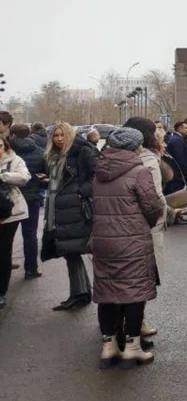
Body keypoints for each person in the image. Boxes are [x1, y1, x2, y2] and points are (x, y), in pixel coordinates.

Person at [90, 127, 163, 369]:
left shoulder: (99, 171)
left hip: (103, 240)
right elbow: (153, 207)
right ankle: (132, 347)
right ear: (136, 147)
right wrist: (145, 224)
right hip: (132, 240)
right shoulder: (139, 172)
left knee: (108, 292)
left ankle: (108, 346)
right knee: (134, 292)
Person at [124, 117, 169, 346]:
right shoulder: (148, 160)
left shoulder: (109, 158)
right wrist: (163, 215)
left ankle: (114, 333)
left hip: (115, 228)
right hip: (144, 228)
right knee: (141, 280)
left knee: (119, 279)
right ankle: (135, 329)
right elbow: (154, 198)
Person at [44, 123, 99, 310]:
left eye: (62, 135)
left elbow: (97, 175)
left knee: (72, 251)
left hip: (75, 209)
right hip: (61, 208)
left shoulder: (82, 151)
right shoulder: (56, 155)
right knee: (70, 252)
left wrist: (80, 192)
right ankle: (81, 292)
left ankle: (79, 294)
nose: (59, 138)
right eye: (55, 135)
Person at [10, 124, 48, 279]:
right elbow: (46, 176)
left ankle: (5, 265)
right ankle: (31, 269)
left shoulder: (8, 152)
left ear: (12, 134)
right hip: (32, 199)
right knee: (30, 235)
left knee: (7, 236)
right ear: (29, 134)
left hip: (10, 199)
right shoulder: (40, 152)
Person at [0, 135, 32, 309]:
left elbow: (25, 177)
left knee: (3, 252)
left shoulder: (14, 160)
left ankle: (1, 292)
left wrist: (3, 176)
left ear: (5, 147)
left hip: (10, 212)